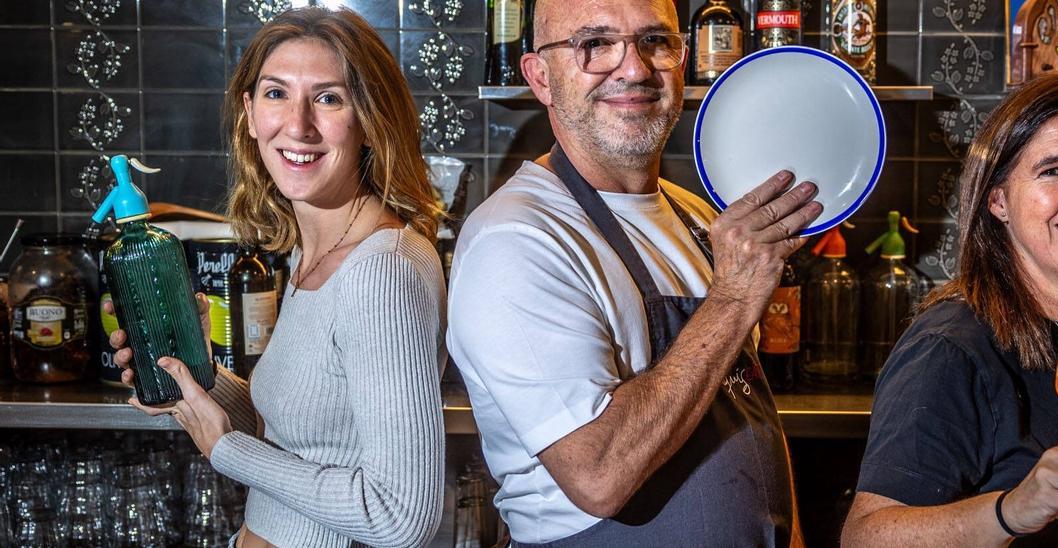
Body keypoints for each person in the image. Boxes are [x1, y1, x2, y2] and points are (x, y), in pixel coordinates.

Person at [446, 0, 821, 545]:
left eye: (654, 41)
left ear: (682, 59)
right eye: (594, 44)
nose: (634, 69)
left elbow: (747, 411)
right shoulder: (517, 238)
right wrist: (735, 299)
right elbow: (598, 475)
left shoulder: (697, 216)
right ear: (541, 77)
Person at [107, 7, 446, 548]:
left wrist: (226, 449)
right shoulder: (313, 252)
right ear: (248, 111)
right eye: (276, 93)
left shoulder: (382, 273)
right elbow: (297, 437)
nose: (298, 125)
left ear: (370, 119)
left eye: (329, 98)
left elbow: (402, 518)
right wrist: (194, 371)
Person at [842, 72, 1058, 546]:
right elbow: (865, 537)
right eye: (1053, 170)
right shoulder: (952, 348)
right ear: (998, 200)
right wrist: (1011, 511)